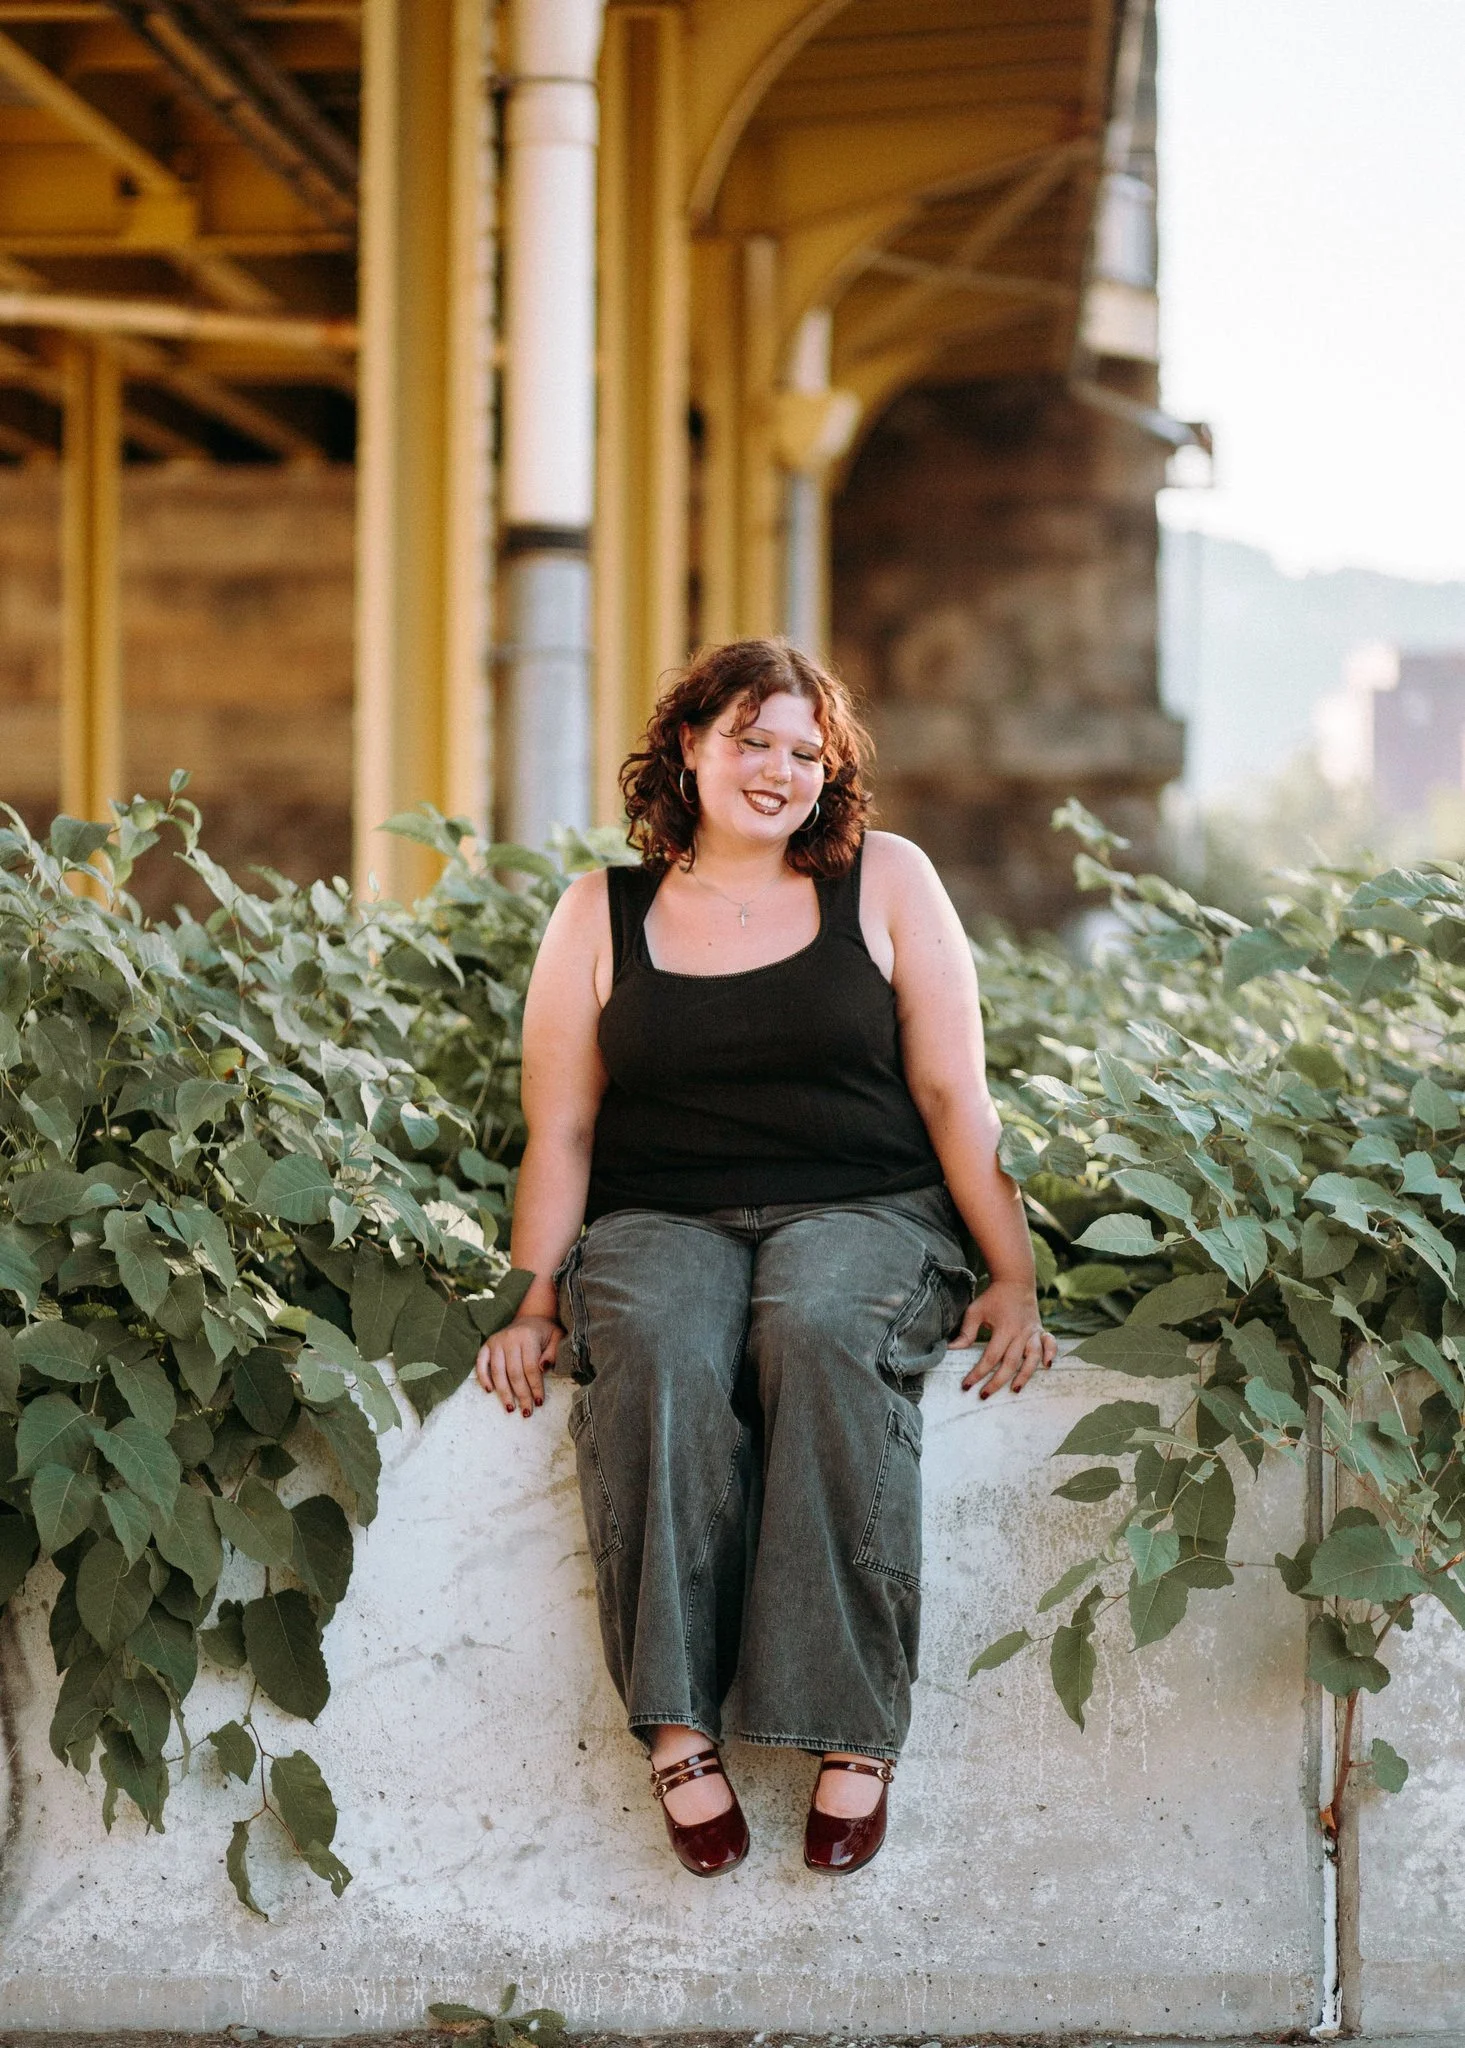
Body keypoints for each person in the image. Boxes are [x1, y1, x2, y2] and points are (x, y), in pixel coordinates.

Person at [474, 638, 1055, 1879]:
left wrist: (1013, 1270)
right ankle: (680, 1730)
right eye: (752, 738)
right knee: (657, 1344)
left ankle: (851, 1723)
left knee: (818, 1329)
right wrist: (527, 1299)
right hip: (658, 1219)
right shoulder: (598, 911)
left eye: (806, 749)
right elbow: (564, 1126)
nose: (779, 769)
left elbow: (956, 1091)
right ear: (686, 744)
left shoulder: (884, 880)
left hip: (868, 1209)